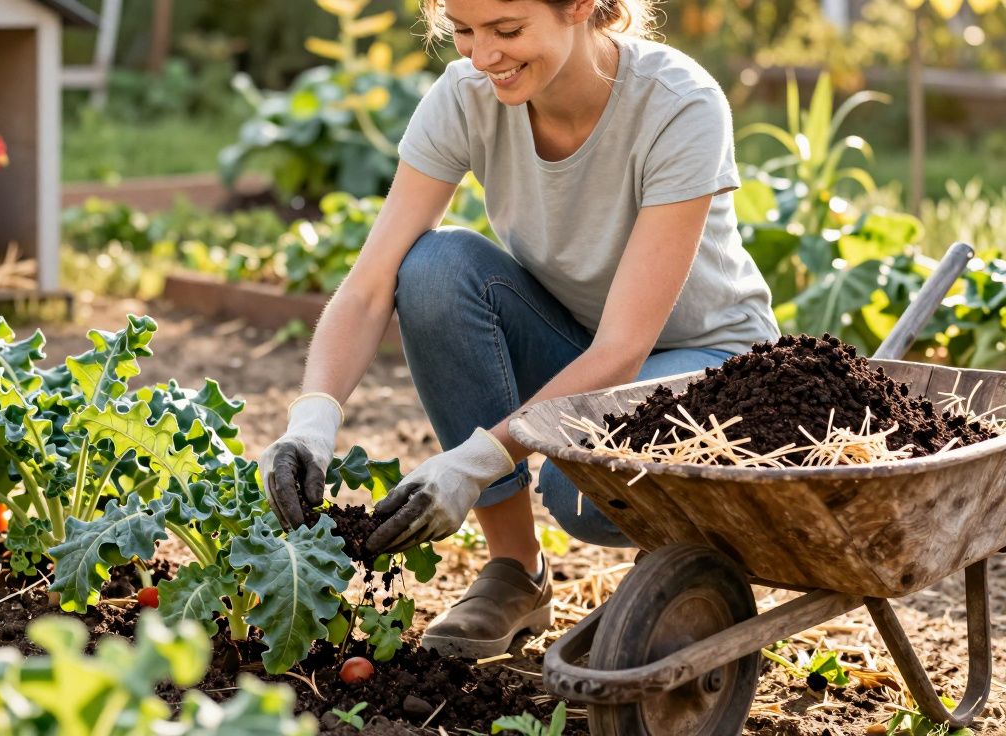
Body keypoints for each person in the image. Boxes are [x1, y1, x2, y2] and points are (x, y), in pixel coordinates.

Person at [259, 0, 779, 659]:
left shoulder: (677, 105)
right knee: (433, 269)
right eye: (465, 32)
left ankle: (686, 568)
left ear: (581, 7)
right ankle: (514, 572)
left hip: (709, 359)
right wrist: (311, 421)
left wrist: (473, 463)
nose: (482, 57)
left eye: (507, 31)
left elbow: (626, 345)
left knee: (579, 485)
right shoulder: (468, 98)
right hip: (582, 345)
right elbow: (368, 287)